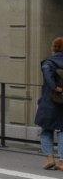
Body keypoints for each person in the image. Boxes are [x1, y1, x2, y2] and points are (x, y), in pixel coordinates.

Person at [35, 37, 63, 170]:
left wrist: (56, 88)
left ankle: (50, 158)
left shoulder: (49, 63)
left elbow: (48, 77)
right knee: (62, 131)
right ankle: (62, 161)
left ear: (53, 48)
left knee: (46, 130)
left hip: (50, 101)